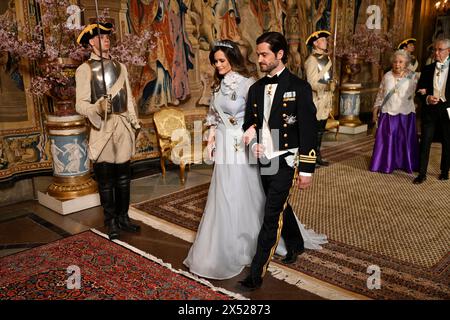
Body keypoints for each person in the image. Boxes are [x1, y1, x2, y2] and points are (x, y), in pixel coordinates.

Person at [183, 39, 326, 281]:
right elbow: (237, 118)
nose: (218, 65)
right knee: (257, 196)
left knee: (268, 201)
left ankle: (266, 260)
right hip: (245, 145)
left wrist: (306, 168)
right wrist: (213, 140)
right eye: (215, 61)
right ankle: (247, 243)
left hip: (263, 149)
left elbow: (302, 128)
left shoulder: (258, 85)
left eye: (221, 60)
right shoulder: (242, 86)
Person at [239, 32, 318, 290]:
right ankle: (296, 243)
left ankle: (256, 272)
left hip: (286, 159)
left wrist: (306, 169)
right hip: (265, 159)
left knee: (271, 213)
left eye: (264, 55)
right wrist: (251, 139)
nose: (259, 59)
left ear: (280, 54)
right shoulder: (255, 88)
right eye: (258, 54)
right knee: (279, 203)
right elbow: (249, 122)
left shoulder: (299, 87)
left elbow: (308, 131)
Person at [75, 23, 141, 239]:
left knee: (124, 176)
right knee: (106, 179)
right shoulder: (84, 70)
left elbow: (129, 99)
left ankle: (124, 217)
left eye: (106, 36)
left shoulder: (120, 67)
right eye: (101, 37)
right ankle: (110, 220)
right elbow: (80, 105)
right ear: (91, 42)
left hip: (122, 125)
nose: (106, 39)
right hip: (102, 128)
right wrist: (97, 107)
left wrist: (134, 122)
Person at [370, 50, 419, 174]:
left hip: (406, 112)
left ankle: (404, 163)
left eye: (401, 62)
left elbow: (417, 94)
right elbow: (380, 94)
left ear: (406, 63)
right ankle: (385, 163)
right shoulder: (387, 76)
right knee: (388, 138)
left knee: (404, 140)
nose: (397, 64)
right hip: (388, 112)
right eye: (395, 62)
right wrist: (375, 111)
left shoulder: (412, 77)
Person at [413, 38, 450, 184]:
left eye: (440, 50)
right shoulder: (428, 69)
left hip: (448, 110)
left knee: (448, 142)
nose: (436, 52)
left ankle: (444, 171)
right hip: (430, 110)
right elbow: (419, 91)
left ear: (448, 51)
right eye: (435, 49)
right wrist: (427, 98)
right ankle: (422, 173)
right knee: (425, 141)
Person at [304, 30, 335, 167]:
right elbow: (311, 82)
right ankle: (310, 158)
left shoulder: (326, 58)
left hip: (325, 99)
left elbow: (326, 78)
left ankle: (317, 155)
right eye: (323, 40)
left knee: (320, 131)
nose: (325, 42)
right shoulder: (312, 60)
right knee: (313, 131)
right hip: (316, 99)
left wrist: (332, 83)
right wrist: (327, 85)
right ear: (316, 43)